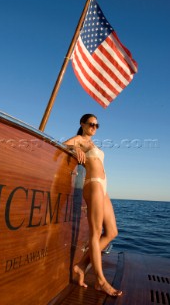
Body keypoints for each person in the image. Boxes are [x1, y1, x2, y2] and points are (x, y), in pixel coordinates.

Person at [64, 114, 122, 297]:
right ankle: (100, 280)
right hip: (93, 184)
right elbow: (63, 145)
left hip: (103, 187)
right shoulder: (79, 140)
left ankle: (81, 266)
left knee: (112, 232)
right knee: (96, 232)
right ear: (82, 124)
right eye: (91, 124)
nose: (94, 127)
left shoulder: (93, 144)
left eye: (97, 125)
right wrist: (74, 150)